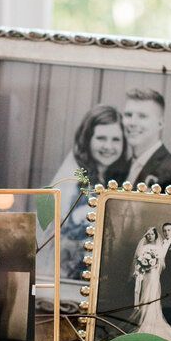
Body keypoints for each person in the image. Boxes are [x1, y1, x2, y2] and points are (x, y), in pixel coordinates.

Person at [44, 105, 129, 281]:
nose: (108, 146)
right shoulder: (73, 179)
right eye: (101, 138)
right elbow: (54, 237)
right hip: (70, 272)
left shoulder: (123, 178)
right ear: (88, 139)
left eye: (116, 140)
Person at [123, 88, 171, 191]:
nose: (132, 123)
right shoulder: (122, 167)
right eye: (128, 115)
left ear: (161, 123)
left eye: (142, 116)